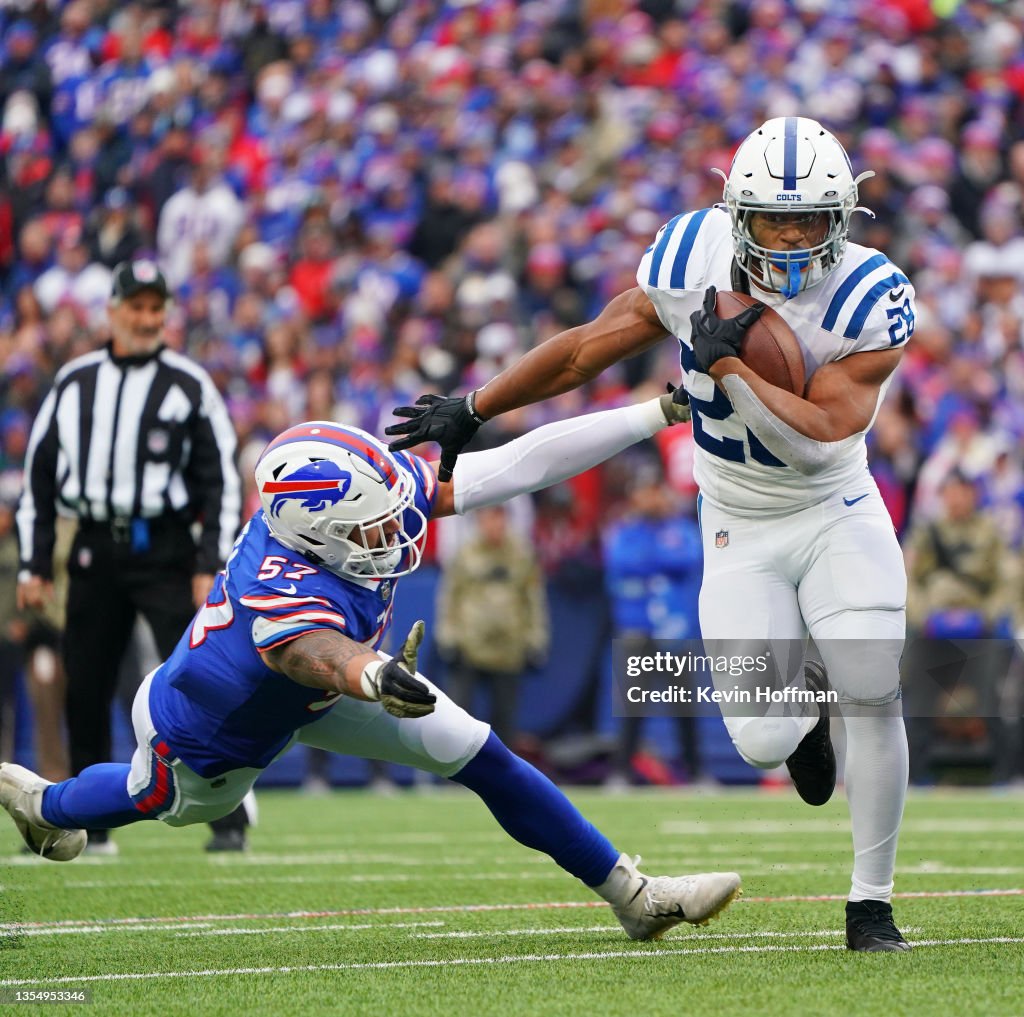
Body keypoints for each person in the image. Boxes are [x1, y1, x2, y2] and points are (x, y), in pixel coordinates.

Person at [387, 117, 915, 952]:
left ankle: (870, 903)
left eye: (810, 217)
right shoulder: (687, 260)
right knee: (761, 737)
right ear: (735, 211)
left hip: (833, 505)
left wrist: (731, 367)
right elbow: (584, 352)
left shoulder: (868, 295)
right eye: (776, 217)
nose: (791, 236)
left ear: (843, 216)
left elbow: (821, 429)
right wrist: (478, 405)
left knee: (874, 682)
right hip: (737, 518)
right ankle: (805, 713)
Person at [0, 395, 745, 943]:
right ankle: (49, 808)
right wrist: (375, 675)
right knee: (154, 795)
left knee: (477, 748)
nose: (395, 528)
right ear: (316, 537)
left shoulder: (357, 495)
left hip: (323, 692)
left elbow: (519, 465)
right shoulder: (278, 584)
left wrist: (653, 412)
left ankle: (634, 896)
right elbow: (312, 654)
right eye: (371, 527)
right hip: (209, 727)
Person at [15, 259, 250, 854]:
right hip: (93, 544)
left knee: (199, 676)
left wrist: (209, 562)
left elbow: (218, 479)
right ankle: (92, 824)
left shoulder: (188, 384)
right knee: (86, 684)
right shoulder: (75, 382)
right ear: (113, 311)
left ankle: (228, 813)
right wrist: (35, 564)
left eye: (156, 308)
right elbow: (39, 475)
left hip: (167, 548)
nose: (147, 319)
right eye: (137, 307)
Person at [602, 463, 707, 787]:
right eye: (644, 492)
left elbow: (689, 558)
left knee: (684, 706)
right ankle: (621, 773)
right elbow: (622, 563)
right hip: (637, 627)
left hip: (674, 628)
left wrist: (653, 561)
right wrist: (660, 558)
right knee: (632, 706)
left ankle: (696, 773)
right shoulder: (625, 529)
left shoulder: (680, 527)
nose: (651, 498)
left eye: (655, 491)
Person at [435, 503, 548, 746]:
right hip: (470, 644)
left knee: (505, 717)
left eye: (499, 517)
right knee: (459, 717)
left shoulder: (521, 553)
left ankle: (502, 777)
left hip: (509, 647)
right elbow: (450, 597)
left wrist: (536, 639)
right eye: (488, 518)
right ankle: (455, 778)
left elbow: (533, 599)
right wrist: (448, 637)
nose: (494, 524)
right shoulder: (465, 553)